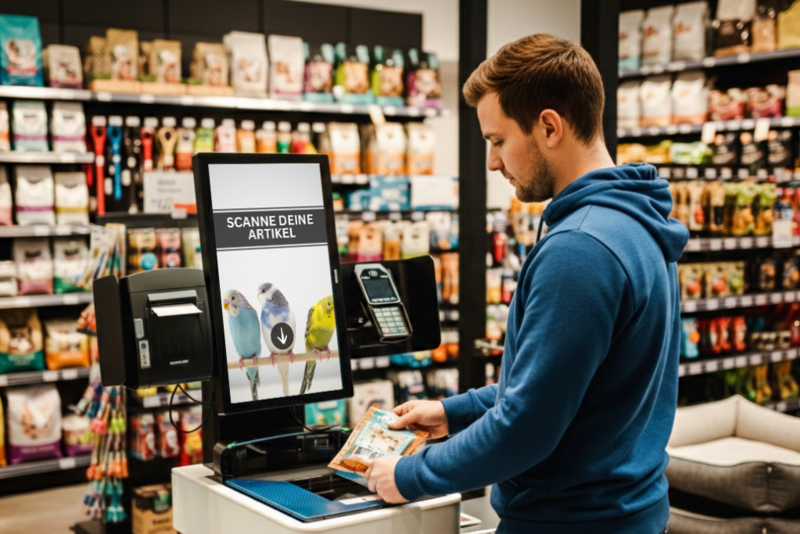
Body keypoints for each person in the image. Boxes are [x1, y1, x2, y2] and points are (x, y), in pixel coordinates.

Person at [363, 33, 689, 534]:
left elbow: (527, 426)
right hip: (627, 514)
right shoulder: (636, 221)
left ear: (549, 127)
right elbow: (562, 386)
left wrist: (408, 475)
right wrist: (453, 411)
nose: (492, 162)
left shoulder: (579, 249)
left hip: (570, 523)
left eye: (497, 141)